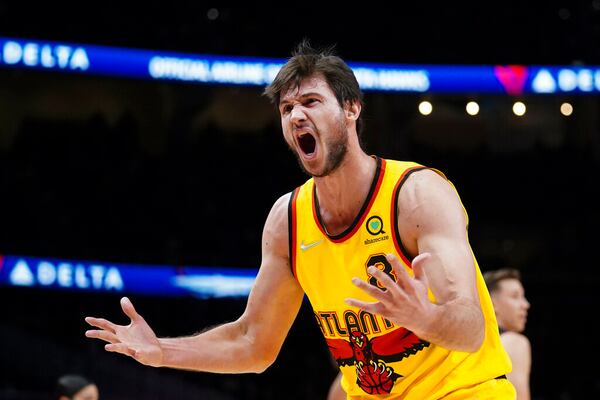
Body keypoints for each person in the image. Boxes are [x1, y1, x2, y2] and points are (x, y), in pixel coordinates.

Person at [84, 41, 515, 399]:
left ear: (351, 109)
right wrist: (162, 351)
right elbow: (254, 343)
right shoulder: (287, 220)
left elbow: (471, 328)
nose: (296, 115)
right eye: (287, 107)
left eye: (311, 101)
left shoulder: (416, 194)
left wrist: (425, 318)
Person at [484, 268, 531, 400]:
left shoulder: (468, 348)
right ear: (492, 303)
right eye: (515, 296)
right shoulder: (514, 342)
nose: (525, 304)